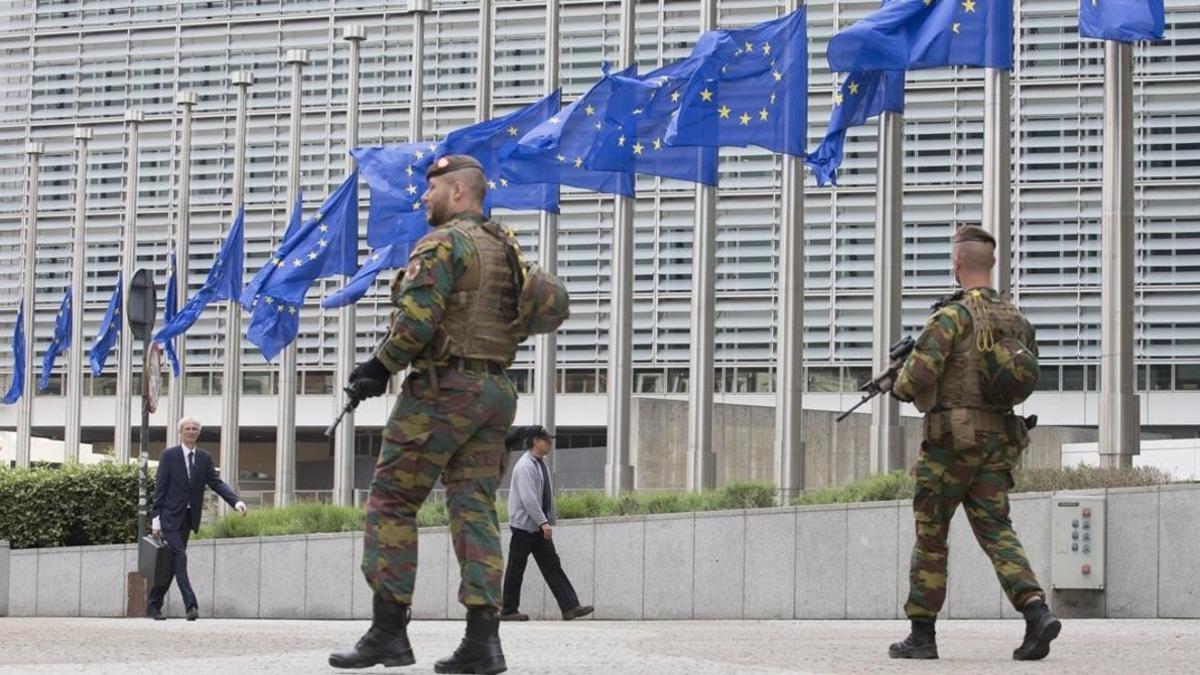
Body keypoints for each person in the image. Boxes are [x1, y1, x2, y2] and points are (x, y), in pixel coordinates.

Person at [330, 155, 525, 674]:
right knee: (473, 508)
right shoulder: (506, 247)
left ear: (458, 192)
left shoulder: (443, 243)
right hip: (495, 390)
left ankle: (387, 632)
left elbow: (417, 320)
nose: (424, 198)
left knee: (392, 501)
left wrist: (378, 368)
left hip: (444, 391)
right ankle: (483, 642)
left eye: (431, 187)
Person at [886, 225, 1061, 661]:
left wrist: (898, 382)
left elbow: (912, 382)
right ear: (994, 263)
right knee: (998, 530)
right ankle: (1036, 613)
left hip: (951, 444)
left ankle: (922, 636)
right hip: (998, 442)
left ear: (957, 264)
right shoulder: (1017, 320)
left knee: (931, 534)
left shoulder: (951, 317)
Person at [148, 416, 247, 621]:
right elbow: (160, 489)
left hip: (188, 518)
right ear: (180, 432)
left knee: (174, 563)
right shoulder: (169, 456)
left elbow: (216, 483)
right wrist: (155, 520)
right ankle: (190, 605)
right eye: (187, 429)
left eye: (194, 429)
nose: (191, 432)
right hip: (169, 517)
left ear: (198, 433)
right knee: (180, 557)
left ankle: (153, 604)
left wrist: (235, 502)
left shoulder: (204, 458)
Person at [498, 425, 594, 622]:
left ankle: (570, 607)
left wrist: (545, 521)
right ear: (535, 441)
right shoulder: (525, 466)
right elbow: (529, 499)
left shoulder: (540, 463)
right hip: (525, 526)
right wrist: (543, 522)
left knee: (552, 565)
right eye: (545, 440)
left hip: (537, 527)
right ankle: (508, 610)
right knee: (516, 568)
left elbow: (544, 495)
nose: (549, 443)